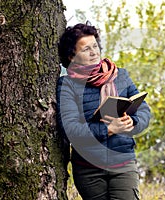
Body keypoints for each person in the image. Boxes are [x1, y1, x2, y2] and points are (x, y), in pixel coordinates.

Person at [56, 22, 151, 200]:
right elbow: (69, 129)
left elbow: (144, 111)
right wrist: (108, 129)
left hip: (123, 163)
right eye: (85, 49)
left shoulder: (120, 75)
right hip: (88, 169)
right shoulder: (67, 85)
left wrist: (133, 122)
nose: (94, 52)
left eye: (95, 46)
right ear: (71, 56)